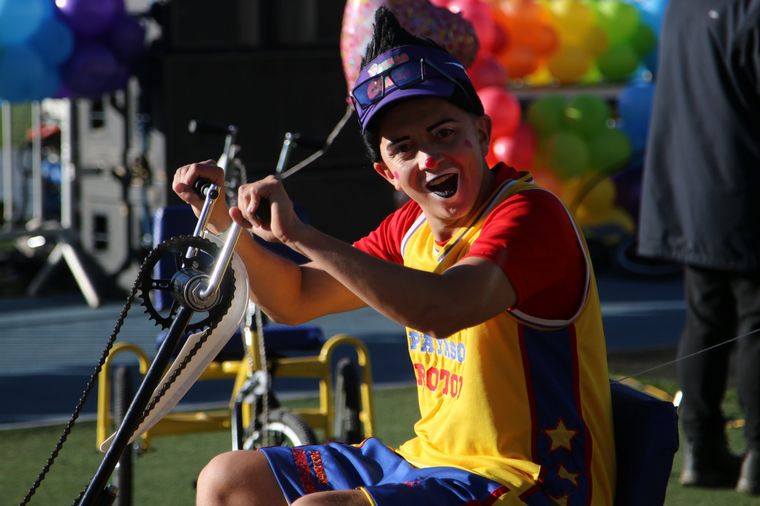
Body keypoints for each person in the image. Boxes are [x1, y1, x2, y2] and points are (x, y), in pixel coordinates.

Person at [173, 7, 615, 505]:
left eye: (444, 133)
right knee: (227, 481)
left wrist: (299, 233)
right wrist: (217, 221)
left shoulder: (531, 214)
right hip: (429, 462)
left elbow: (442, 310)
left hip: (530, 483)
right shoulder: (410, 228)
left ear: (483, 134)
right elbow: (293, 300)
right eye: (404, 148)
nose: (428, 157)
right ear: (387, 173)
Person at [637, 0, 760, 495]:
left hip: (689, 185)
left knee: (708, 316)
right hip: (741, 181)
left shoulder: (684, 7)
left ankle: (702, 450)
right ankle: (756, 452)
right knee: (754, 321)